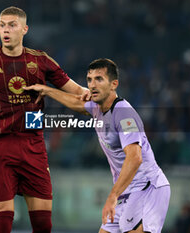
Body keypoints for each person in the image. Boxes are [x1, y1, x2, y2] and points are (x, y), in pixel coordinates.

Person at [0, 6, 89, 233]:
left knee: (43, 225)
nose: (6, 29)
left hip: (33, 147)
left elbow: (78, 92)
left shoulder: (41, 61)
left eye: (12, 25)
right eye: (2, 25)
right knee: (2, 223)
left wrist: (100, 96)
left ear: (24, 29)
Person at [24, 58, 171, 233]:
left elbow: (135, 157)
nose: (92, 85)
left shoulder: (123, 113)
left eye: (99, 79)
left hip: (146, 188)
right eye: (89, 79)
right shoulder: (97, 107)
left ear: (113, 84)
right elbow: (77, 102)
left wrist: (112, 196)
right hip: (125, 192)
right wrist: (47, 91)